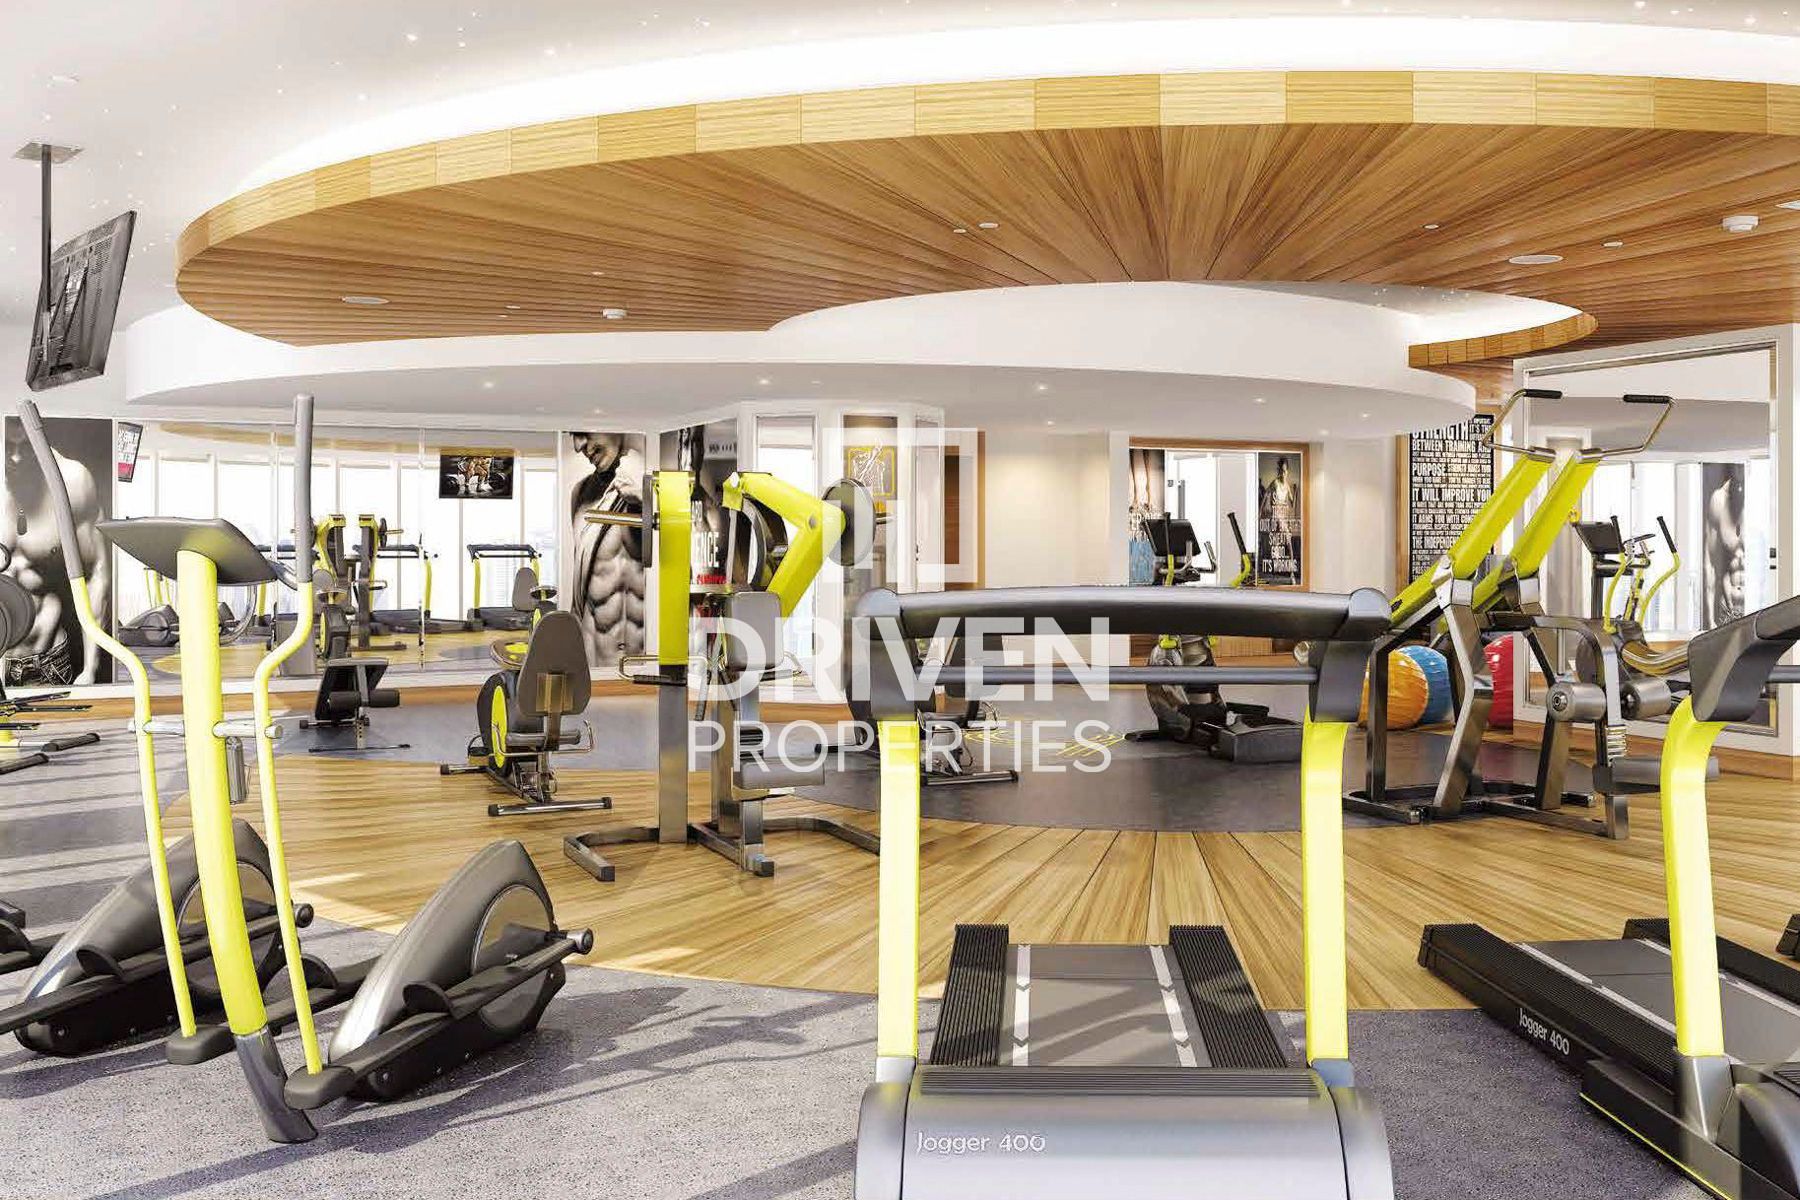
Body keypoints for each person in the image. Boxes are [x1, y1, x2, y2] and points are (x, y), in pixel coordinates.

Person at [1, 419, 109, 685]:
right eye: (7, 446)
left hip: (46, 663)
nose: (15, 457)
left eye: (26, 447)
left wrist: (90, 669)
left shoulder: (71, 483)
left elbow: (95, 575)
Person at [568, 433, 646, 670]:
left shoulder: (665, 489)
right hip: (595, 667)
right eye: (572, 435)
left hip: (648, 668)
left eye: (582, 431)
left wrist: (648, 499)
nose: (578, 446)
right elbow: (580, 595)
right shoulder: (580, 495)